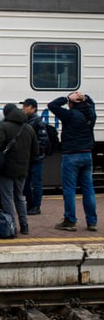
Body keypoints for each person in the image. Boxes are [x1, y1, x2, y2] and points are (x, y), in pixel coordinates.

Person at [48, 91, 97, 232]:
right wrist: (85, 97)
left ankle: (70, 221)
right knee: (88, 189)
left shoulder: (69, 115)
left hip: (71, 155)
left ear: (71, 103)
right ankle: (92, 222)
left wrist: (67, 98)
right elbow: (91, 104)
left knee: (69, 189)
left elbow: (52, 105)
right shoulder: (91, 114)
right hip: (87, 154)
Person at [0, 103, 38, 236]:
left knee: (7, 198)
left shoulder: (4, 126)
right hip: (22, 169)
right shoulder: (28, 128)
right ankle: (24, 225)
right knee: (19, 197)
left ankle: (11, 226)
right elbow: (36, 151)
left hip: (6, 169)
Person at [20, 98, 50, 215]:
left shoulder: (38, 122)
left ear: (33, 108)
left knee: (35, 183)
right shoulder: (26, 121)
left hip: (36, 159)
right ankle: (30, 204)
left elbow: (43, 141)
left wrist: (32, 150)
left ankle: (36, 206)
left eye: (26, 106)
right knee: (27, 183)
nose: (23, 108)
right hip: (28, 158)